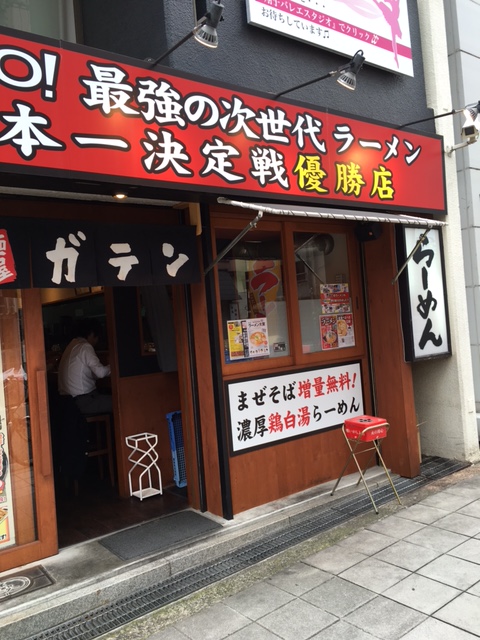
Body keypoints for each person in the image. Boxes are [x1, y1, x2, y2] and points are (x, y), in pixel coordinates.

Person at [58, 318, 112, 415]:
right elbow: (100, 373)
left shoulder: (71, 345)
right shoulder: (85, 346)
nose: (96, 341)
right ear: (92, 334)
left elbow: (87, 373)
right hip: (83, 401)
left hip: (68, 402)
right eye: (97, 337)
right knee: (120, 400)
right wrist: (113, 366)